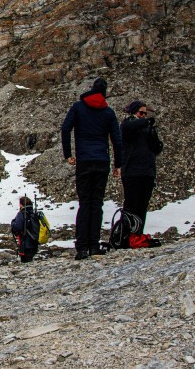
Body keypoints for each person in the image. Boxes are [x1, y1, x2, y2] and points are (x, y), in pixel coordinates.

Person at [61, 78, 123, 260]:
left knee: (84, 203)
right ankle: (94, 246)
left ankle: (81, 248)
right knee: (97, 203)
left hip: (84, 162)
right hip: (102, 161)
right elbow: (117, 140)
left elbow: (65, 129)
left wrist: (68, 154)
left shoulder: (79, 108)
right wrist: (118, 164)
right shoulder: (108, 112)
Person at [120, 100, 163, 234]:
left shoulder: (147, 128)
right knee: (131, 205)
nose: (143, 115)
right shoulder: (127, 125)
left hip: (147, 172)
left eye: (145, 113)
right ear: (133, 112)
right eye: (141, 112)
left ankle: (137, 235)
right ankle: (126, 235)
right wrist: (146, 122)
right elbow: (129, 128)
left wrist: (153, 135)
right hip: (132, 172)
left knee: (142, 206)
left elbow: (156, 149)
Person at [10, 196, 40, 263]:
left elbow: (17, 227)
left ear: (21, 204)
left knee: (26, 262)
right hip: (34, 242)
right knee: (30, 261)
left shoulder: (22, 213)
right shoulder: (33, 213)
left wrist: (13, 222)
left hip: (26, 244)